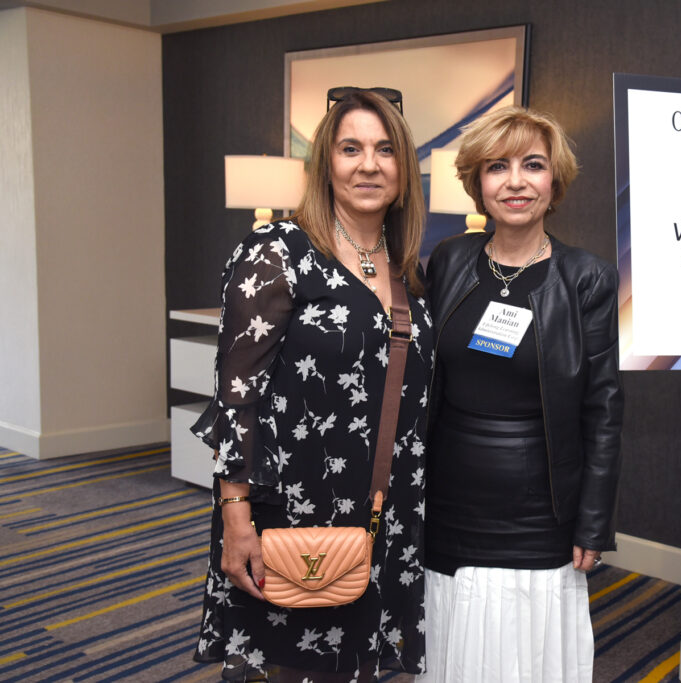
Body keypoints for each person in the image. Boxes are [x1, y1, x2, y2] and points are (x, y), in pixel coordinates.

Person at [191, 89, 432, 682]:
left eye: (385, 150)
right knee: (293, 667)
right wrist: (236, 518)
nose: (369, 165)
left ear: (404, 167)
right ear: (325, 162)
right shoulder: (276, 251)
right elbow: (237, 399)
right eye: (351, 149)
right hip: (295, 513)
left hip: (384, 512)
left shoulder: (407, 268)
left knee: (360, 667)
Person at [420, 106, 624, 682]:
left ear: (554, 180)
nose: (515, 182)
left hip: (540, 509)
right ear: (477, 183)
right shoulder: (450, 260)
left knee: (522, 654)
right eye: (497, 167)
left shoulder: (586, 278)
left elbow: (604, 410)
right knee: (456, 646)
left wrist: (594, 522)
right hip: (449, 501)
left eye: (532, 165)